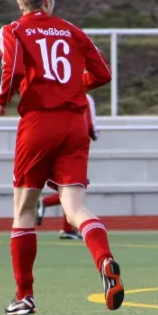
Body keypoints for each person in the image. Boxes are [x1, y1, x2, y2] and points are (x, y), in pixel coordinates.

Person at [0, 0, 124, 315]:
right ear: (48, 1)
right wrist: (70, 84)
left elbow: (14, 68)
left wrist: (0, 99)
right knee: (76, 208)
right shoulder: (72, 30)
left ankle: (25, 295)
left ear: (22, 2)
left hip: (38, 123)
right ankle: (104, 258)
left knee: (23, 210)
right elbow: (103, 75)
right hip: (74, 124)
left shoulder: (13, 30)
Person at [36, 93, 99, 240]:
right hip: (72, 147)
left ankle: (66, 228)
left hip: (44, 141)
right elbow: (90, 126)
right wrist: (94, 134)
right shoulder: (84, 96)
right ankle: (44, 205)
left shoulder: (52, 91)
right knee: (75, 187)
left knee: (69, 187)